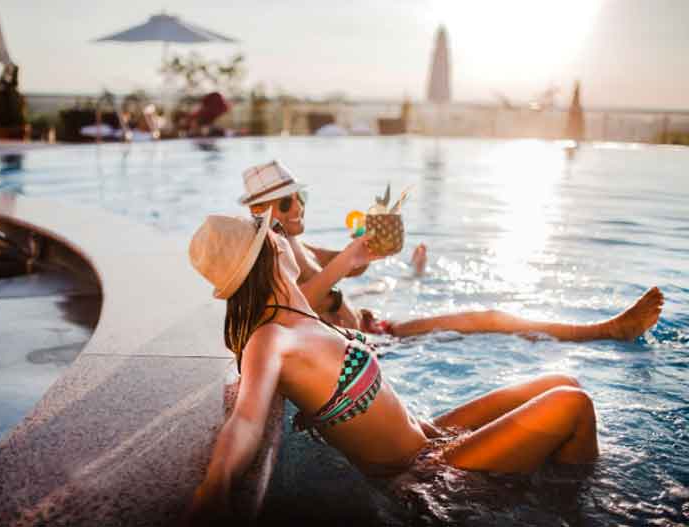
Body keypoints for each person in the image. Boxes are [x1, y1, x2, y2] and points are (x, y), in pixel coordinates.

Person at [186, 210, 600, 521]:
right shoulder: (271, 337)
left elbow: (317, 289)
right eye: (273, 232)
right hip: (423, 474)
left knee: (561, 380)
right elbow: (247, 420)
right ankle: (567, 508)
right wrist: (214, 486)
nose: (282, 235)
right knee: (572, 403)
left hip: (429, 438)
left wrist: (354, 257)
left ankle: (550, 482)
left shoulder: (303, 318)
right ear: (271, 252)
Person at [239, 160, 663, 341]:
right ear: (264, 210)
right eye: (292, 201)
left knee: (490, 317)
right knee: (491, 319)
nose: (302, 207)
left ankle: (604, 330)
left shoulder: (300, 244)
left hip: (376, 329)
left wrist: (367, 250)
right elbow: (294, 308)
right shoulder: (274, 253)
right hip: (368, 343)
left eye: (302, 196)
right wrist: (348, 260)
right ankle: (604, 331)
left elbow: (350, 273)